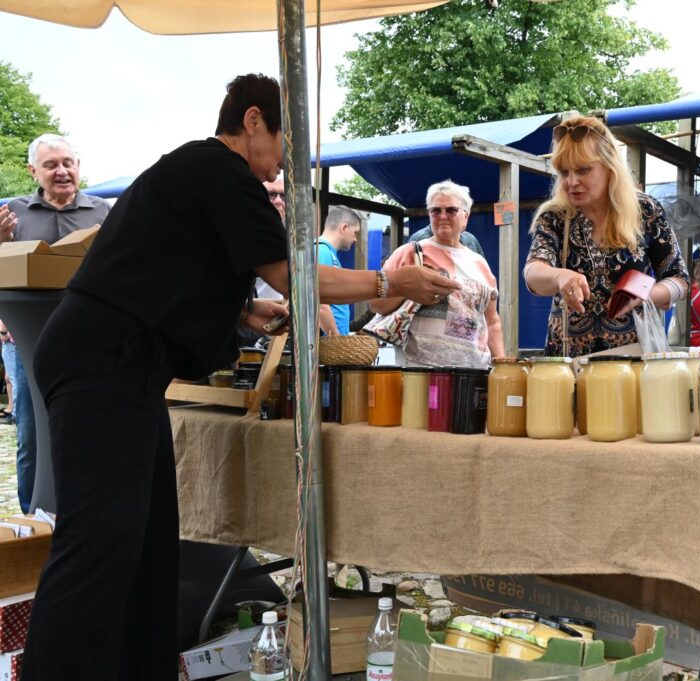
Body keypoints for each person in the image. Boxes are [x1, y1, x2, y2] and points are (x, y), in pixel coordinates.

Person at [19, 73, 458, 681]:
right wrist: (390, 281)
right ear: (253, 121)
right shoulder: (218, 170)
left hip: (124, 365)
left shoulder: (200, 176)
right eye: (285, 145)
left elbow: (170, 272)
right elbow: (295, 274)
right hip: (103, 362)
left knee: (149, 547)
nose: (285, 166)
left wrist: (242, 311)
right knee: (99, 543)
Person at [0, 133, 111, 516]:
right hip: (26, 345)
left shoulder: (103, 212)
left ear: (78, 167)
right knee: (32, 435)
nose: (61, 171)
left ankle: (85, 514)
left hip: (89, 342)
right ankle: (34, 518)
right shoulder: (13, 213)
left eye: (67, 163)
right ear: (34, 171)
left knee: (89, 430)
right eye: (51, 165)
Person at [523, 115, 688, 357]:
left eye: (583, 169)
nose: (572, 182)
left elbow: (680, 280)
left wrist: (645, 295)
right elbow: (533, 273)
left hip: (634, 360)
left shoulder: (646, 210)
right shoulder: (554, 216)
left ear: (610, 166)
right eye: (564, 172)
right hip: (569, 363)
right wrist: (559, 276)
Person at [370, 180, 504, 367]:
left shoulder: (479, 263)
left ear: (465, 216)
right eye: (435, 211)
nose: (442, 216)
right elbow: (375, 304)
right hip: (420, 370)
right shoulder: (410, 252)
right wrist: (409, 288)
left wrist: (502, 364)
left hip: (474, 371)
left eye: (451, 210)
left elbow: (492, 321)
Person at [317, 205, 362, 335]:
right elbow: (320, 305)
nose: (355, 239)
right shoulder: (322, 251)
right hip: (329, 341)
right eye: (355, 232)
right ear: (344, 228)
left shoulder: (327, 252)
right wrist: (336, 338)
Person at [253, 177, 286, 300]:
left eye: (284, 196)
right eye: (271, 194)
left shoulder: (289, 237)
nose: (278, 201)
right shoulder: (245, 234)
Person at [409, 221, 485, 256]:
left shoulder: (470, 239)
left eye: (452, 210)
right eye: (437, 210)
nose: (444, 216)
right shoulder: (420, 239)